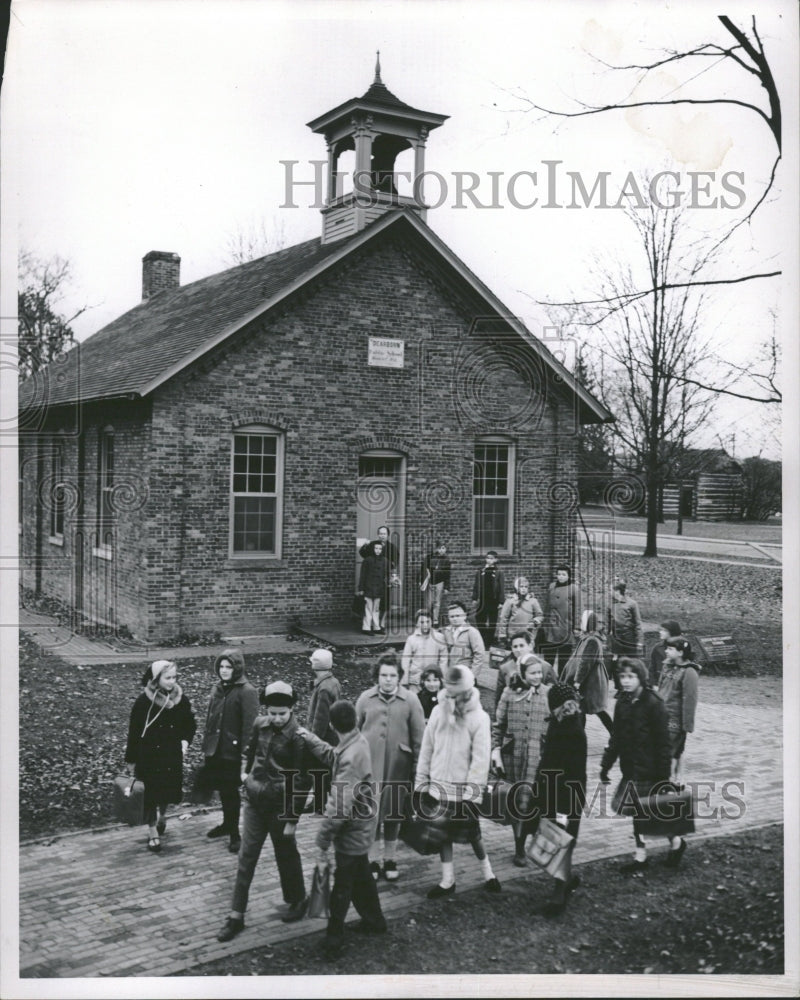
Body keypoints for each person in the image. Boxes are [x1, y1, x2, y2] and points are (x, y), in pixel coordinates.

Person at [217, 681, 312, 942]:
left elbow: (302, 781)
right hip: (255, 803)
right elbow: (250, 752)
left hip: (281, 806)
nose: (277, 718)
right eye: (273, 713)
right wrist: (245, 776)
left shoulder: (299, 737)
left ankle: (297, 899)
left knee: (286, 853)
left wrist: (292, 818)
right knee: (246, 858)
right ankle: (236, 915)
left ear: (292, 709)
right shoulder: (260, 725)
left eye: (283, 713)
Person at [303, 700, 387, 958]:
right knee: (360, 874)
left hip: (353, 828)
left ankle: (334, 938)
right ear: (354, 721)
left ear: (331, 725)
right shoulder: (356, 741)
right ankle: (375, 921)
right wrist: (311, 739)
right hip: (362, 825)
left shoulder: (351, 756)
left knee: (343, 885)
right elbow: (334, 756)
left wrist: (322, 841)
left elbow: (338, 806)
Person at [414, 665, 501, 898]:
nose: (451, 696)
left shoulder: (480, 718)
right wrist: (421, 783)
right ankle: (447, 880)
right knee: (443, 835)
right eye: (449, 691)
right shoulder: (437, 712)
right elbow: (427, 748)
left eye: (456, 692)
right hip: (439, 787)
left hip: (463, 791)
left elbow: (481, 758)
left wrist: (472, 796)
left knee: (473, 835)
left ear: (467, 690)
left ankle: (488, 873)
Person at [599, 658, 686, 873]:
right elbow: (616, 738)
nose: (626, 681)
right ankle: (641, 856)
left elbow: (664, 745)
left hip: (651, 771)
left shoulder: (654, 703)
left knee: (654, 812)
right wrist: (605, 765)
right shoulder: (622, 703)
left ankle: (676, 842)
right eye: (622, 677)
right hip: (631, 770)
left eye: (631, 676)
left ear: (641, 677)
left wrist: (663, 779)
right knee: (639, 815)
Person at [355, 652, 425, 882]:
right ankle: (373, 860)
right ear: (377, 676)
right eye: (383, 675)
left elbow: (419, 738)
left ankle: (390, 859)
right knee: (371, 813)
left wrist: (417, 769)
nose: (387, 680)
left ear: (399, 677)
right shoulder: (365, 699)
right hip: (369, 768)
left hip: (399, 768)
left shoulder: (411, 700)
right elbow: (353, 734)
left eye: (392, 675)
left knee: (393, 814)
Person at [125, 660, 196, 853]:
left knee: (167, 789)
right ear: (156, 679)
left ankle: (162, 815)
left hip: (171, 755)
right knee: (150, 793)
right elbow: (134, 732)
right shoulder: (143, 702)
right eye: (167, 678)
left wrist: (185, 741)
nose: (172, 682)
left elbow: (190, 724)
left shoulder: (181, 700)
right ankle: (152, 830)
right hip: (148, 756)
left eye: (174, 677)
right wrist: (131, 759)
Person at [529, 682, 587, 915]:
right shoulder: (561, 724)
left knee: (561, 841)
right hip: (559, 791)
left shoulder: (570, 730)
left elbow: (564, 769)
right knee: (561, 840)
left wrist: (553, 801)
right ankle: (566, 880)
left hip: (565, 795)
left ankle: (558, 897)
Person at [491, 653, 551, 865]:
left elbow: (553, 727)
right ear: (523, 674)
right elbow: (498, 725)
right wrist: (496, 749)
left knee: (535, 804)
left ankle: (540, 844)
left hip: (537, 758)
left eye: (539, 673)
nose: (537, 677)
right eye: (533, 673)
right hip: (514, 756)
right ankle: (519, 849)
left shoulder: (547, 694)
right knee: (518, 803)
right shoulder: (509, 693)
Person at [201, 649, 259, 853]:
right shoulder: (218, 688)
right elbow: (211, 717)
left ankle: (235, 833)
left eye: (229, 667)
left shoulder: (247, 691)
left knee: (231, 791)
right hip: (215, 749)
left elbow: (250, 727)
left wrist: (246, 756)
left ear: (237, 668)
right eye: (221, 667)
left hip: (232, 753)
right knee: (222, 790)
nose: (224, 671)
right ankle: (227, 824)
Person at [560, 611, 613, 735]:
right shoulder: (587, 639)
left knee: (597, 710)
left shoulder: (592, 641)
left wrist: (578, 681)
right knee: (583, 709)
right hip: (588, 682)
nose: (581, 623)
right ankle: (580, 737)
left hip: (591, 683)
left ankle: (615, 735)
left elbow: (585, 663)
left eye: (583, 621)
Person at [658, 637, 700, 780]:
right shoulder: (667, 666)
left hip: (674, 722)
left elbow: (690, 700)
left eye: (670, 649)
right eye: (667, 648)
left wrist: (687, 725)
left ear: (681, 652)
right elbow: (660, 690)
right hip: (661, 718)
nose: (666, 651)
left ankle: (667, 785)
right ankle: (670, 782)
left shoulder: (689, 672)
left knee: (668, 755)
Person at [306, 648, 342, 813]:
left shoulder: (324, 689)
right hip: (332, 736)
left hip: (323, 738)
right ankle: (323, 801)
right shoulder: (332, 682)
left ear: (316, 666)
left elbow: (320, 718)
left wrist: (313, 739)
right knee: (325, 771)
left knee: (319, 770)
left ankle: (320, 804)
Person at [495, 631, 555, 709]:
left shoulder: (545, 667)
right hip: (514, 710)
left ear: (530, 646)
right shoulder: (505, 668)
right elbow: (499, 697)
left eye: (522, 645)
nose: (518, 650)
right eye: (515, 647)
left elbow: (553, 694)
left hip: (539, 710)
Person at [539, 566, 579, 675]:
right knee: (548, 658)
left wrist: (577, 627)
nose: (560, 577)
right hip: (551, 628)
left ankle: (562, 681)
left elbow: (578, 608)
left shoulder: (573, 589)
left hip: (565, 627)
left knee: (564, 659)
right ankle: (548, 679)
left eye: (563, 574)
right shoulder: (552, 587)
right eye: (559, 574)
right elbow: (547, 606)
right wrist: (544, 623)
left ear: (568, 576)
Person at [607, 577, 644, 688]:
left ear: (617, 591)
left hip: (629, 638)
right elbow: (607, 623)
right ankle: (619, 687)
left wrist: (639, 641)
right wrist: (607, 639)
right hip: (616, 638)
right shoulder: (610, 604)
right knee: (617, 663)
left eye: (611, 590)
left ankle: (636, 686)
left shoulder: (632, 604)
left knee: (632, 662)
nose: (610, 592)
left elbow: (638, 623)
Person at [401, 609, 447, 692]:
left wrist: (442, 677)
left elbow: (444, 659)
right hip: (415, 680)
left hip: (432, 680)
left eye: (428, 621)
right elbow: (406, 660)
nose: (425, 625)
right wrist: (405, 679)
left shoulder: (439, 637)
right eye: (422, 622)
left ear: (432, 622)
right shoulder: (411, 639)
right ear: (416, 623)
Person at [471, 550, 505, 647]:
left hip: (493, 600)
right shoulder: (481, 571)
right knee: (480, 618)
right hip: (483, 599)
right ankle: (483, 636)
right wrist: (474, 597)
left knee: (492, 621)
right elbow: (476, 585)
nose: (489, 560)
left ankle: (489, 641)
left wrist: (501, 601)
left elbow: (501, 587)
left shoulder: (498, 572)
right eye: (487, 558)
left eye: (491, 558)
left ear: (495, 560)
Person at [496, 577, 543, 646]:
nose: (524, 589)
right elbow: (504, 618)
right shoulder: (510, 601)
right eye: (521, 586)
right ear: (516, 588)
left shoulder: (533, 601)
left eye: (526, 587)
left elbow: (540, 615)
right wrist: (502, 634)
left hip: (527, 634)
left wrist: (535, 621)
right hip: (513, 634)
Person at [358, 540, 391, 635]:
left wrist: (390, 581)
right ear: (373, 549)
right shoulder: (367, 560)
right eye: (376, 548)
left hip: (379, 588)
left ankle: (376, 627)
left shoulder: (385, 561)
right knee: (368, 608)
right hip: (368, 587)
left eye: (380, 549)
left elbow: (387, 574)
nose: (378, 550)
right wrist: (361, 588)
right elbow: (362, 575)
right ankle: (366, 627)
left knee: (376, 609)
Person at [444, 601, 486, 672]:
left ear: (464, 616)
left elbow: (479, 655)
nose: (455, 619)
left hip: (466, 672)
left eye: (458, 616)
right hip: (451, 672)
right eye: (452, 616)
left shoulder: (471, 632)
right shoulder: (447, 631)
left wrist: (472, 674)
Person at [419, 542, 451, 627]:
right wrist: (421, 580)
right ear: (436, 549)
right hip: (430, 582)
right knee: (428, 603)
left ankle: (435, 620)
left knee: (437, 602)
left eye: (443, 548)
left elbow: (448, 574)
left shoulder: (446, 560)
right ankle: (428, 619)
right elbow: (423, 569)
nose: (441, 550)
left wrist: (447, 587)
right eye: (440, 548)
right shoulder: (429, 557)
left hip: (440, 582)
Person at [649, 620, 683, 689]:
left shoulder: (682, 647)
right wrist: (654, 684)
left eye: (664, 630)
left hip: (676, 685)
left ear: (672, 632)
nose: (660, 632)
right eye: (661, 630)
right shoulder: (657, 647)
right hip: (659, 685)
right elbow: (652, 668)